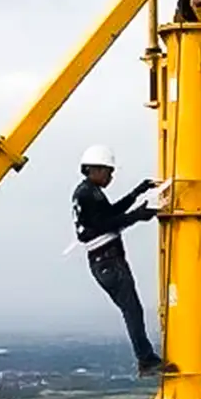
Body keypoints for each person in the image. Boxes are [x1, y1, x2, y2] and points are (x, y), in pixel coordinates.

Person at [70, 144, 170, 377]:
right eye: (108, 171)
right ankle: (146, 359)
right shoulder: (88, 194)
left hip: (104, 261)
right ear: (95, 169)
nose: (110, 177)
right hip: (109, 260)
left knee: (131, 310)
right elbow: (105, 223)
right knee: (132, 310)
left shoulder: (87, 192)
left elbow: (110, 214)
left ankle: (146, 358)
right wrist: (137, 215)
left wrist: (136, 194)